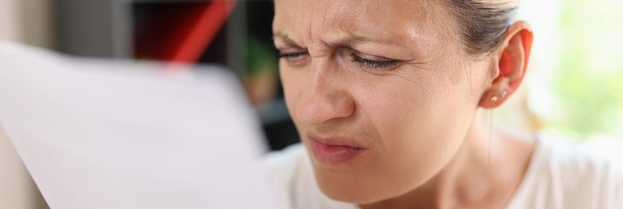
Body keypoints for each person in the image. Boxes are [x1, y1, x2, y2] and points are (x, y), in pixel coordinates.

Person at [264, 0, 623, 209]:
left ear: (503, 68)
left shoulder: (601, 194)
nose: (310, 109)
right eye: (292, 52)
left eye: (372, 59)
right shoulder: (249, 195)